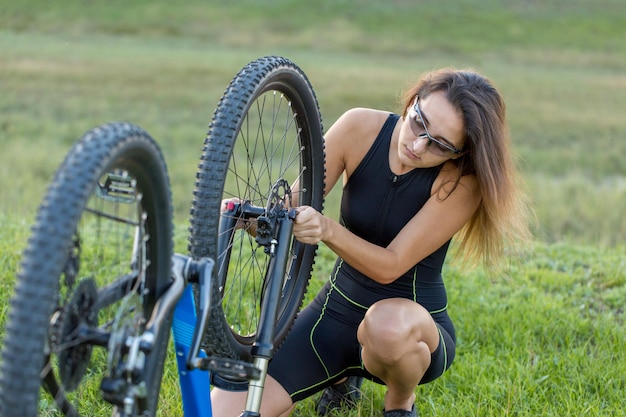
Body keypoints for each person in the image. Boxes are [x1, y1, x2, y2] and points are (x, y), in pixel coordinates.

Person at [212, 68, 531, 417]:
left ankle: (399, 402)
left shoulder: (460, 184)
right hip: (332, 316)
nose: (418, 144)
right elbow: (286, 213)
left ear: (458, 153)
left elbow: (390, 265)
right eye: (418, 123)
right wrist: (248, 217)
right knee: (221, 411)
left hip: (408, 328)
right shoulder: (358, 128)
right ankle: (339, 380)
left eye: (439, 144)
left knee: (386, 326)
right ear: (412, 101)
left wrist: (328, 230)